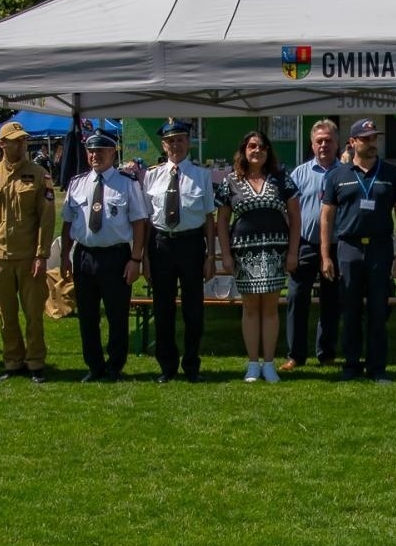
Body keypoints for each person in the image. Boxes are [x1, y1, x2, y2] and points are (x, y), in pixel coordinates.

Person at [320, 118, 396, 384]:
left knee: (379, 311)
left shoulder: (391, 174)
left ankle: (377, 367)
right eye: (366, 138)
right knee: (349, 309)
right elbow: (326, 217)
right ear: (353, 142)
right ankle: (350, 364)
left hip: (380, 248)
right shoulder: (337, 175)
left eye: (375, 138)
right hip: (349, 248)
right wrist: (325, 255)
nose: (373, 143)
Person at [60, 131, 149, 383]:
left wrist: (135, 259)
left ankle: (115, 365)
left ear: (113, 152)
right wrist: (66, 256)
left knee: (117, 315)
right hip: (84, 255)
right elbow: (67, 223)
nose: (95, 155)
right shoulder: (77, 183)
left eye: (101, 150)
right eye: (91, 151)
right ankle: (94, 365)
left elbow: (139, 223)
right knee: (87, 315)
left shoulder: (127, 183)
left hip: (116, 257)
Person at [0, 121, 56, 383]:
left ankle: (35, 362)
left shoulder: (39, 175)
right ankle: (12, 360)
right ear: (1, 144)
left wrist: (42, 255)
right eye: (15, 140)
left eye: (23, 140)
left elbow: (46, 218)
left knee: (33, 314)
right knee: (5, 315)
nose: (21, 144)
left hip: (29, 257)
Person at [215, 129, 301, 382]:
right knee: (251, 309)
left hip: (275, 251)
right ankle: (253, 364)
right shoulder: (230, 181)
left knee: (271, 309)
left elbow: (295, 217)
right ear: (243, 150)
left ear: (268, 151)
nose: (257, 150)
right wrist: (226, 255)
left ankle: (269, 363)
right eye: (252, 146)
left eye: (262, 146)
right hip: (244, 253)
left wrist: (293, 252)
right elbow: (221, 221)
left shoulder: (281, 179)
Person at [140, 120, 217, 383]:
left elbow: (209, 218)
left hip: (191, 245)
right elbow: (147, 220)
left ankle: (192, 365)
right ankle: (167, 366)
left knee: (193, 310)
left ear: (189, 142)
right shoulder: (152, 176)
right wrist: (145, 258)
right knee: (163, 309)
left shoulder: (202, 175)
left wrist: (210, 257)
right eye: (170, 141)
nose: (176, 145)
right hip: (161, 245)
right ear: (163, 144)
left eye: (181, 139)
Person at [283, 120, 342, 371]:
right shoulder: (299, 174)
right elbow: (288, 212)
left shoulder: (346, 173)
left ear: (337, 143)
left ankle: (326, 352)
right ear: (312, 143)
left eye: (328, 140)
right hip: (306, 243)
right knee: (297, 298)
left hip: (337, 246)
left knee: (331, 301)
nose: (324, 145)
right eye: (319, 141)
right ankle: (295, 354)